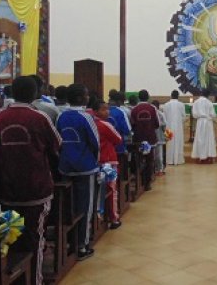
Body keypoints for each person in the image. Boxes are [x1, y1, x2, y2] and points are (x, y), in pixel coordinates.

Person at [0, 75, 61, 285]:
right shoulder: (40, 118)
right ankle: (35, 282)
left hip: (6, 189)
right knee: (35, 238)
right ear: (35, 94)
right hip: (36, 189)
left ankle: (9, 280)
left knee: (8, 238)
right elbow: (57, 146)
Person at [56, 83, 99, 260]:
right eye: (86, 94)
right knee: (86, 207)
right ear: (81, 98)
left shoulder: (61, 117)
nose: (88, 97)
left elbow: (57, 140)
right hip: (85, 168)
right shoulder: (86, 117)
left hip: (65, 166)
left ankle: (69, 242)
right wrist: (92, 161)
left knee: (68, 207)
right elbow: (95, 142)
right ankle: (82, 246)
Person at [89, 98, 123, 229]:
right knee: (111, 190)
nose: (107, 112)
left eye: (108, 109)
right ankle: (113, 218)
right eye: (104, 109)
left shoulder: (90, 123)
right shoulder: (104, 124)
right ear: (95, 111)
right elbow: (118, 139)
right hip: (108, 162)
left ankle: (99, 217)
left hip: (96, 162)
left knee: (98, 191)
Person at [130, 90, 160, 190]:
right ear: (148, 97)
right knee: (149, 160)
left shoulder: (134, 109)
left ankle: (139, 181)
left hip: (138, 139)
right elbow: (157, 124)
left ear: (139, 97)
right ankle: (147, 183)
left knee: (139, 160)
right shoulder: (152, 108)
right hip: (150, 139)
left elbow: (132, 124)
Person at [191, 89, 217, 163]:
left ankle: (200, 157)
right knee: (208, 140)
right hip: (208, 122)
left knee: (200, 139)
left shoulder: (196, 102)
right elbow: (213, 114)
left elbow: (194, 114)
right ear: (208, 95)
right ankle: (208, 157)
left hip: (200, 122)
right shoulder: (209, 103)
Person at [163, 90, 186, 165]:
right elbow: (184, 117)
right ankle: (178, 160)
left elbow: (164, 117)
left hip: (168, 127)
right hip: (178, 127)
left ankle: (169, 160)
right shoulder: (181, 105)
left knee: (169, 143)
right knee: (178, 142)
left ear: (171, 95)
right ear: (178, 96)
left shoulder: (166, 105)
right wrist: (179, 122)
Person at [152, 100, 167, 175]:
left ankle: (158, 169)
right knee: (158, 155)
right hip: (158, 136)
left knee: (156, 155)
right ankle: (159, 169)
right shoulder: (160, 114)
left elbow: (164, 125)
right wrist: (166, 134)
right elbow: (164, 125)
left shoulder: (159, 114)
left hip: (155, 136)